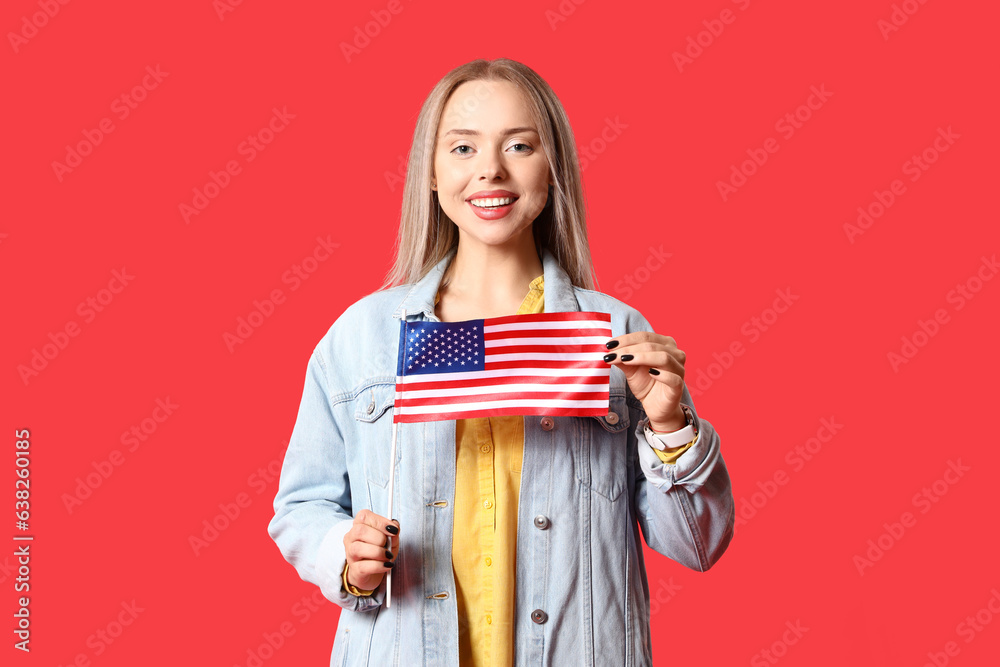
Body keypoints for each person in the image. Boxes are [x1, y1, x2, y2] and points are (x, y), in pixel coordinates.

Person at [267, 57, 734, 666]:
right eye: (462, 147)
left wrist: (671, 427)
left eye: (519, 145)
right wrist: (344, 557)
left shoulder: (616, 334)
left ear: (552, 169)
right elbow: (300, 507)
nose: (490, 169)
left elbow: (696, 545)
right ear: (430, 174)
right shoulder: (361, 339)